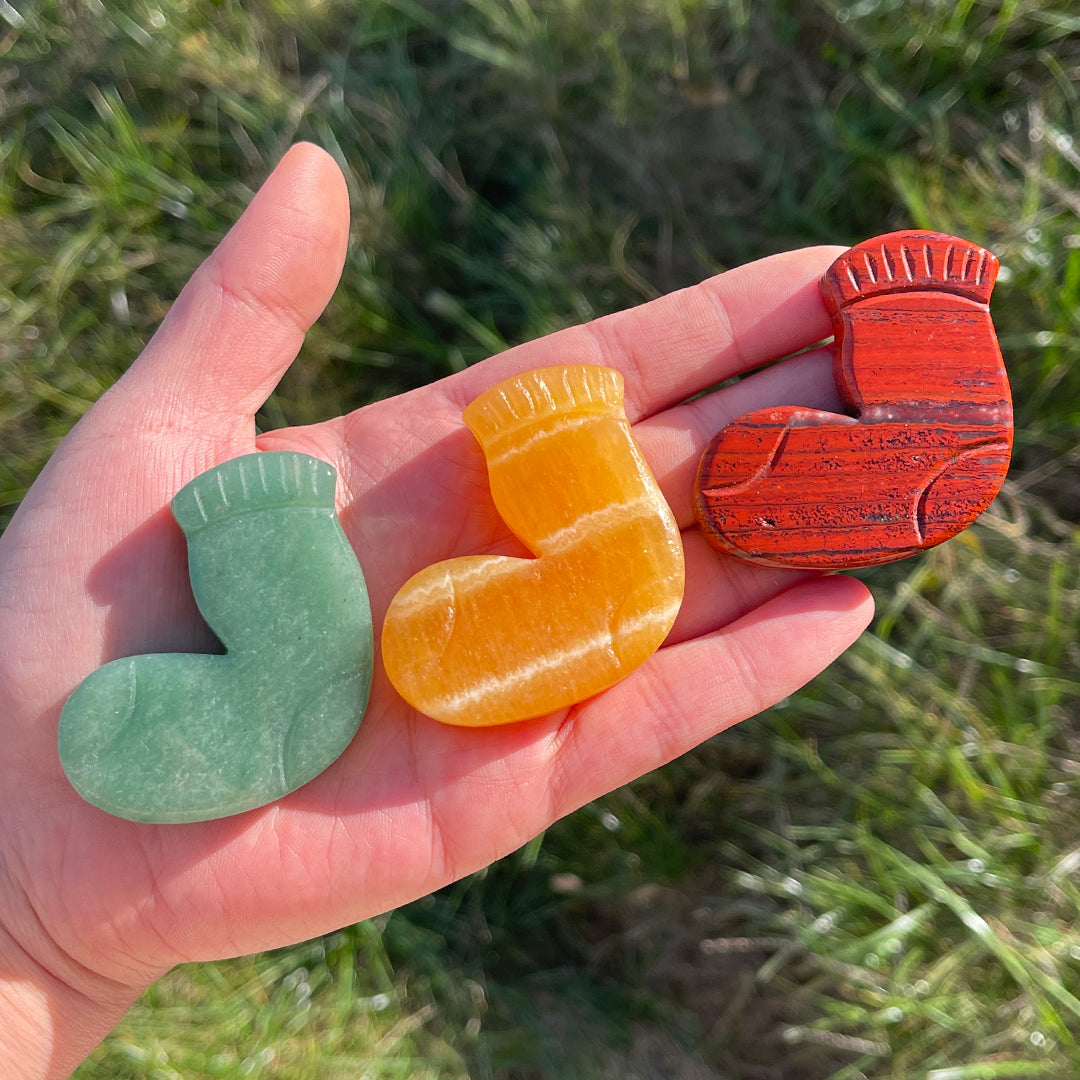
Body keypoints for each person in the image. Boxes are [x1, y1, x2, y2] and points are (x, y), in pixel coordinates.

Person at [0, 143, 874, 1079]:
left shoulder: (326, 692)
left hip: (494, 605)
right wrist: (27, 915)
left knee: (601, 578)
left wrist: (30, 921)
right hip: (415, 631)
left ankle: (546, 445)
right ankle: (546, 444)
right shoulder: (302, 702)